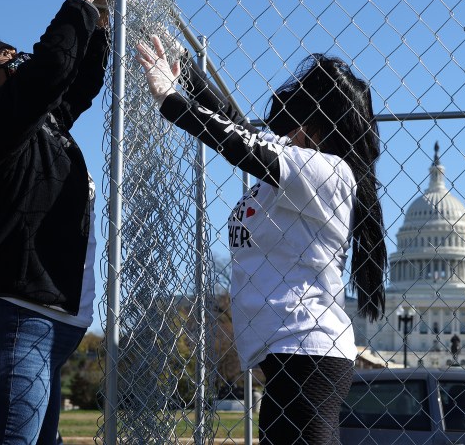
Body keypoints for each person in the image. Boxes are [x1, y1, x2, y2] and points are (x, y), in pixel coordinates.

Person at [136, 37, 387, 445]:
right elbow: (236, 126)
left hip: (308, 354)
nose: (280, 134)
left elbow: (239, 145)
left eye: (292, 125)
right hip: (292, 358)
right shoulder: (300, 166)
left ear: (314, 129)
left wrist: (169, 97)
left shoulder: (328, 171)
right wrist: (189, 72)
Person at [0, 0, 112, 444]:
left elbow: (76, 82)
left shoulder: (34, 125)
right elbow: (50, 69)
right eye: (10, 61)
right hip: (8, 316)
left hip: (43, 321)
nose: (21, 65)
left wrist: (100, 22)